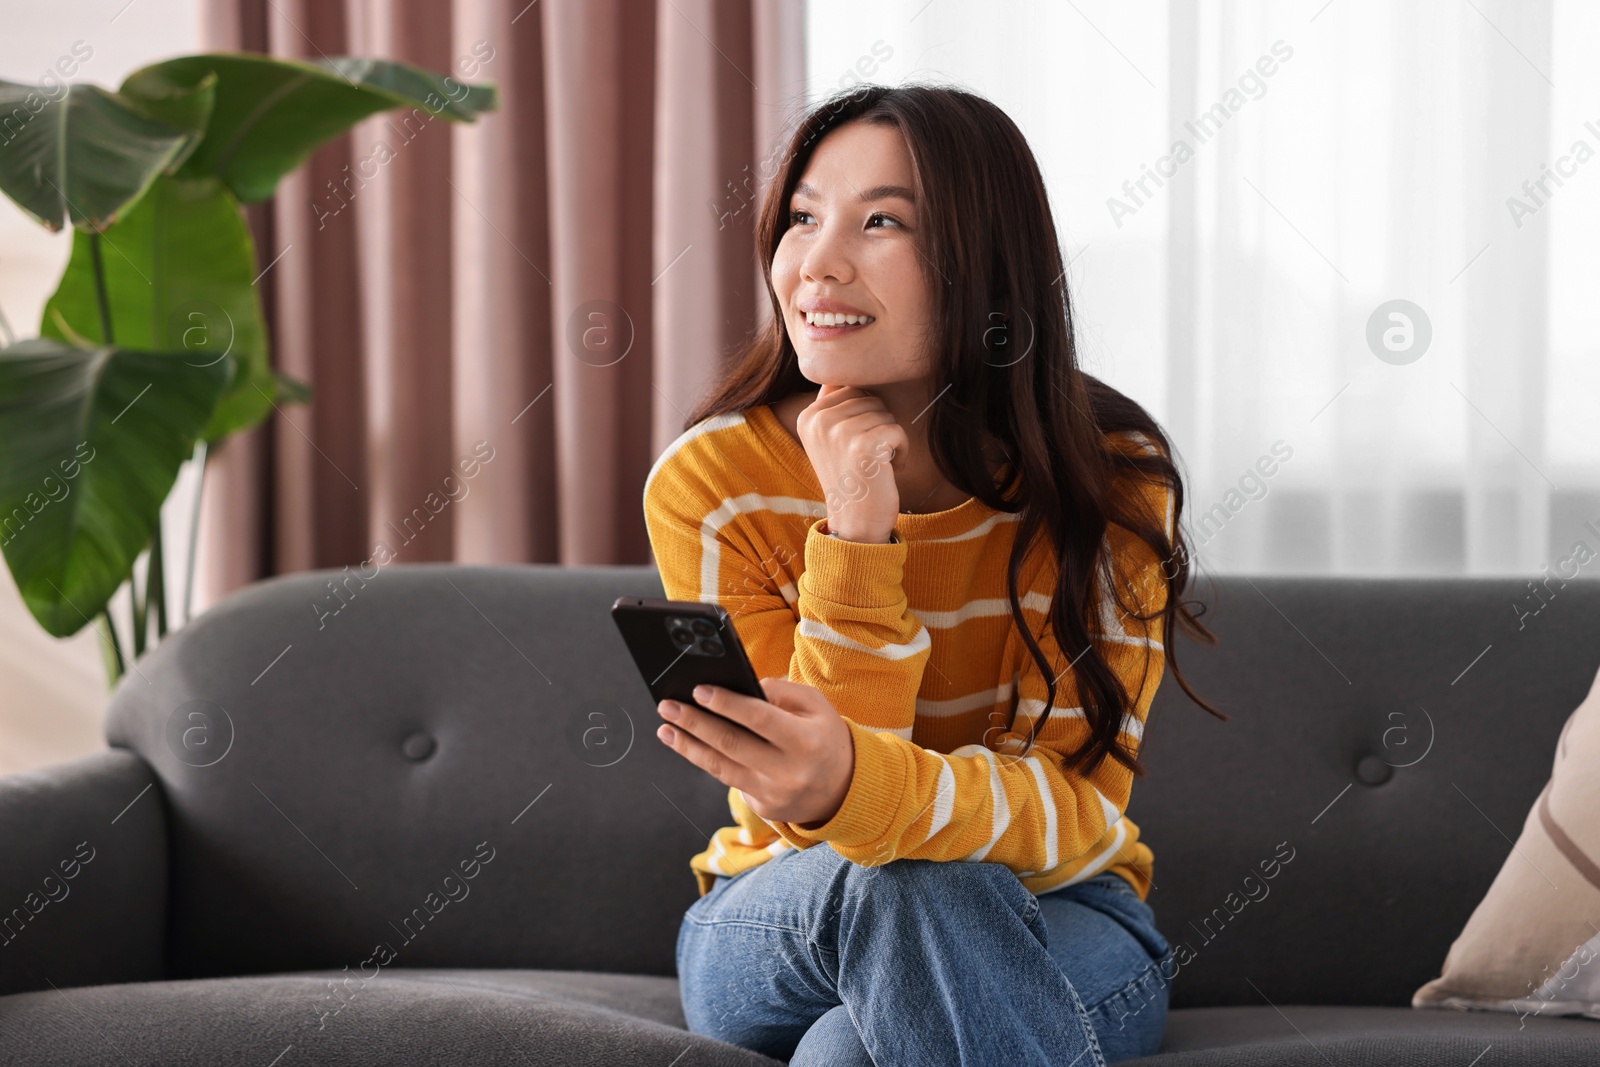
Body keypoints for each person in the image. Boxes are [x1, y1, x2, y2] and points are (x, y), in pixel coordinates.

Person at [641, 83, 1222, 1066]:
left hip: (1061, 897)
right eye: (801, 217)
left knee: (853, 1038)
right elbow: (808, 819)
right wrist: (856, 529)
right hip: (779, 904)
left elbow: (1077, 801)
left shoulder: (1110, 479)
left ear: (987, 267)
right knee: (896, 878)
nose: (816, 263)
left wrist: (855, 782)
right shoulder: (716, 482)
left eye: (879, 222)